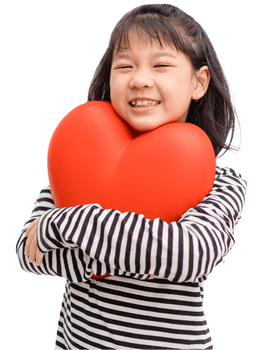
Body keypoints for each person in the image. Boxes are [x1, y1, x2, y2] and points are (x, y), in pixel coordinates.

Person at [16, 4, 247, 350]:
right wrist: (144, 250)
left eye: (161, 65)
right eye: (124, 66)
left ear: (198, 82)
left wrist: (72, 222)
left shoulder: (221, 181)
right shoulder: (79, 160)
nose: (139, 79)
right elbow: (29, 253)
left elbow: (189, 256)